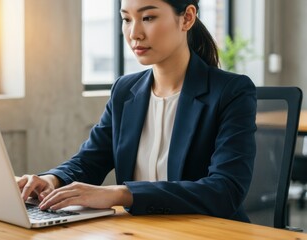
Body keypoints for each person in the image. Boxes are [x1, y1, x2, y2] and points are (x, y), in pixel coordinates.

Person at [18, 0, 256, 222]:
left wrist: (121, 194)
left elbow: (225, 190)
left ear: (187, 18)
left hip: (208, 232)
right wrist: (52, 179)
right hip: (139, 231)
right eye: (127, 19)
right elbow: (90, 160)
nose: (134, 34)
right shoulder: (125, 90)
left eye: (149, 17)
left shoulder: (231, 91)